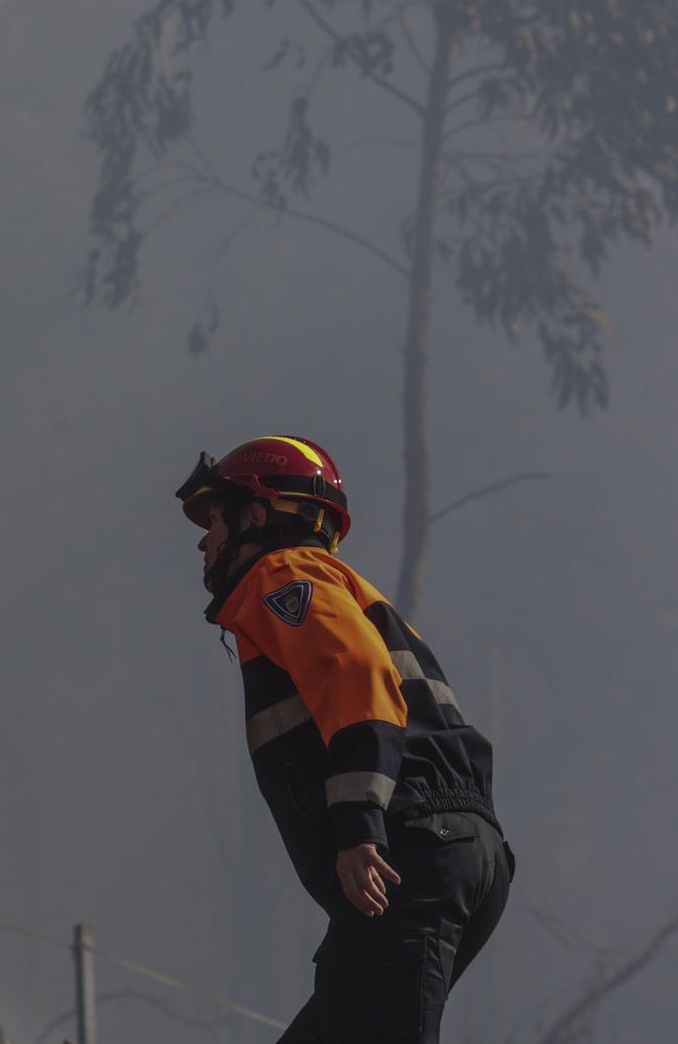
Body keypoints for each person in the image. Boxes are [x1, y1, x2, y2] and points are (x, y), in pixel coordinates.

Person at [176, 436, 513, 1043]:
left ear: (258, 513)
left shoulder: (281, 576)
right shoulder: (344, 587)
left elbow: (358, 678)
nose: (204, 538)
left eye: (217, 516)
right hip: (458, 850)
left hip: (406, 858)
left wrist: (359, 829)